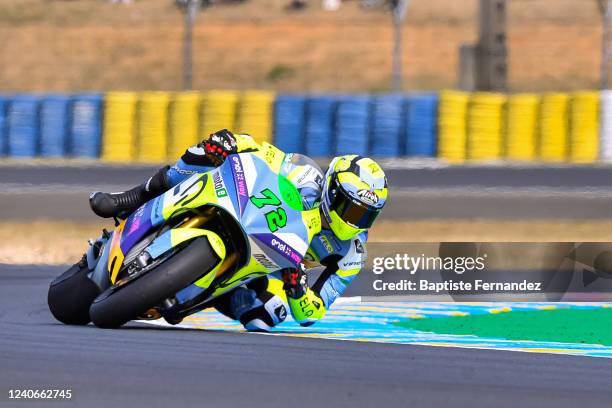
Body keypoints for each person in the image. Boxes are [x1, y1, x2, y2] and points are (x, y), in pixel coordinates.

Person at [90, 129, 388, 331]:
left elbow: (314, 312)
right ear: (332, 192)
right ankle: (132, 198)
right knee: (203, 155)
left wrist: (297, 289)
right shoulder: (306, 176)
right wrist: (230, 142)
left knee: (272, 314)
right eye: (352, 209)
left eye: (366, 216)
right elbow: (264, 152)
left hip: (272, 267)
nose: (355, 221)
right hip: (250, 211)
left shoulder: (351, 254)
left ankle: (214, 294)